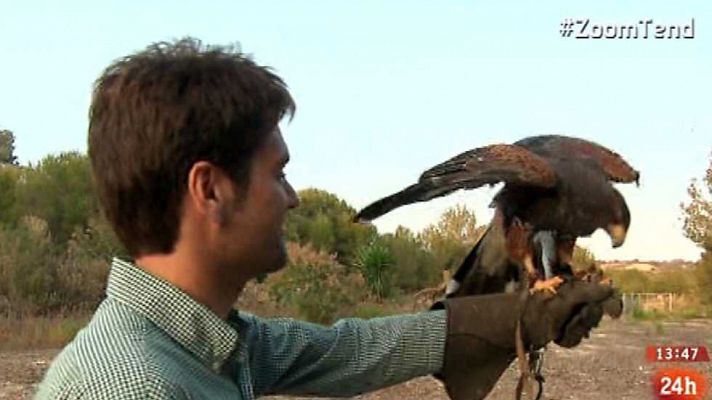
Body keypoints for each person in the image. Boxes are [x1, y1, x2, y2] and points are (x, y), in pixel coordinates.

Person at [36, 38, 616, 400]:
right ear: (210, 189)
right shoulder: (134, 386)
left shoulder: (203, 341)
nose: (292, 199)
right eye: (278, 174)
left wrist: (510, 318)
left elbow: (344, 351)